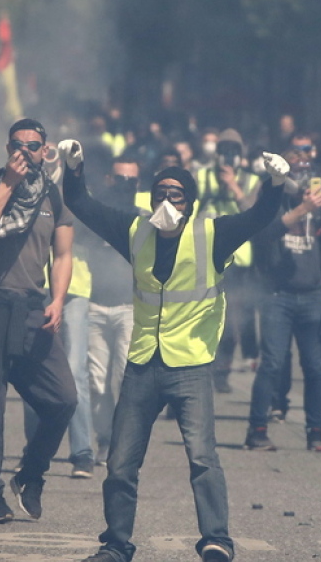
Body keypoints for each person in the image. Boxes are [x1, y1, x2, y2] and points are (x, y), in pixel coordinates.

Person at [59, 137, 286, 562]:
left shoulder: (213, 234)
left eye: (176, 194)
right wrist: (73, 170)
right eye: (160, 191)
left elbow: (259, 216)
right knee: (122, 464)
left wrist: (275, 183)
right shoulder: (134, 230)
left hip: (191, 367)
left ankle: (217, 540)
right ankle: (116, 544)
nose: (167, 199)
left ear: (191, 203)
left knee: (203, 459)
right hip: (143, 364)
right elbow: (84, 206)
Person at [0, 118, 77, 524]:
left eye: (34, 145)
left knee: (63, 400)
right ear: (7, 147)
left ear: (46, 151)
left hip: (31, 309)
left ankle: (30, 475)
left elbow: (63, 255)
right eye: (18, 144)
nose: (25, 151)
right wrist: (7, 185)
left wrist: (59, 299)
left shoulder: (53, 195)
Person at [244, 147, 321, 452]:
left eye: (307, 172)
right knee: (272, 363)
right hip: (278, 295)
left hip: (313, 294)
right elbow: (262, 236)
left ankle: (315, 431)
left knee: (315, 366)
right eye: (296, 172)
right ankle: (257, 430)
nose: (304, 180)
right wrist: (300, 210)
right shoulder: (273, 201)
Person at [85, 157, 141, 465]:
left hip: (128, 308)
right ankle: (103, 440)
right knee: (96, 380)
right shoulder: (98, 214)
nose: (126, 186)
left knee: (123, 379)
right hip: (95, 305)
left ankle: (121, 442)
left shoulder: (146, 218)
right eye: (120, 179)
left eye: (132, 181)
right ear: (109, 179)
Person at [197, 128, 261, 392]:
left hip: (240, 261)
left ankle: (222, 372)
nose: (228, 157)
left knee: (234, 315)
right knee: (206, 314)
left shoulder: (250, 180)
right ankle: (202, 368)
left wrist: (233, 187)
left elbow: (255, 212)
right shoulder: (201, 177)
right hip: (208, 256)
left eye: (234, 152)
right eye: (224, 151)